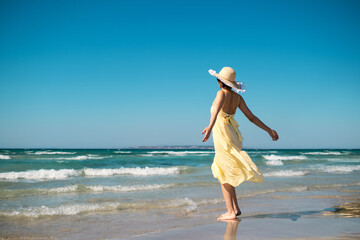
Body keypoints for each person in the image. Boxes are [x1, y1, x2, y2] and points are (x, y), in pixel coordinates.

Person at [202, 67, 279, 221]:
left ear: (220, 81)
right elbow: (251, 117)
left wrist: (209, 128)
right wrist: (268, 130)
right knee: (229, 170)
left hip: (223, 135)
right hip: (232, 134)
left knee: (223, 172)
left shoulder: (221, 93)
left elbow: (215, 111)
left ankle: (230, 212)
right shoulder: (237, 98)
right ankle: (235, 209)